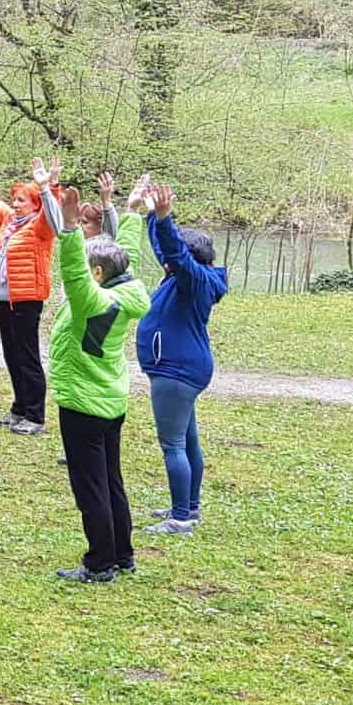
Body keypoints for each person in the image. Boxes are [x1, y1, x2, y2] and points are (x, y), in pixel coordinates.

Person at [34, 159, 152, 584]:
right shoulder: (124, 290)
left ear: (97, 273)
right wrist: (132, 210)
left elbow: (73, 272)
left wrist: (68, 231)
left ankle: (100, 562)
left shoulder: (92, 301)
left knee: (92, 488)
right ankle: (123, 553)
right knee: (111, 480)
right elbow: (129, 255)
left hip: (84, 403)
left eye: (89, 266)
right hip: (110, 399)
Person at [129, 175, 225, 535]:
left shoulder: (192, 279)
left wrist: (166, 220)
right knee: (187, 441)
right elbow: (166, 250)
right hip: (183, 369)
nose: (166, 261)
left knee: (173, 444)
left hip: (177, 371)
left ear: (188, 258)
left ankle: (181, 519)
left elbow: (172, 252)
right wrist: (153, 215)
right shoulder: (191, 276)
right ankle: (189, 507)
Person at [0, 146, 56, 435]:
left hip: (27, 300)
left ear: (35, 205)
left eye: (22, 201)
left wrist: (45, 186)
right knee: (11, 354)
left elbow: (55, 216)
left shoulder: (41, 227)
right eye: (14, 200)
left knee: (27, 356)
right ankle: (19, 408)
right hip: (4, 298)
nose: (16, 204)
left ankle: (35, 416)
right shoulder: (9, 221)